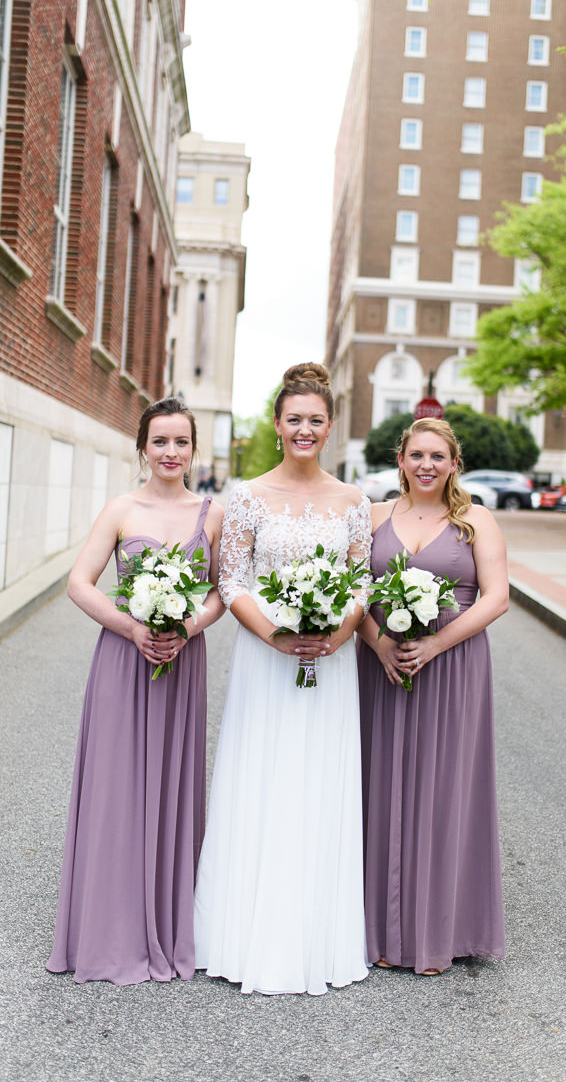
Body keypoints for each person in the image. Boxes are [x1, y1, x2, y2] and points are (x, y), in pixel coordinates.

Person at [193, 363, 371, 995]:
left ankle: (317, 936)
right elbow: (232, 580)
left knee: (320, 781)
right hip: (267, 661)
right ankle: (245, 933)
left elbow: (362, 581)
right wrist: (278, 635)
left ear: (329, 427)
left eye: (315, 421)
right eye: (293, 419)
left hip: (331, 660)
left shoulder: (354, 501)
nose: (304, 429)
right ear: (276, 424)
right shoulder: (246, 497)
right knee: (262, 776)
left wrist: (337, 633)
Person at [46, 397, 224, 984]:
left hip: (181, 663)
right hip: (124, 661)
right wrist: (133, 627)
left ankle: (166, 921)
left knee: (171, 786)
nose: (171, 453)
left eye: (181, 442)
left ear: (193, 449)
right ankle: (109, 926)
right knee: (116, 787)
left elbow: (223, 592)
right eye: (160, 442)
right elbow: (79, 583)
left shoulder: (213, 514)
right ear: (142, 448)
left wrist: (188, 626)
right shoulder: (121, 508)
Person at [356, 418, 508, 975]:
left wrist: (436, 644)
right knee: (381, 782)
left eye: (437, 456)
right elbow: (353, 596)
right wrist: (377, 646)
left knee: (444, 787)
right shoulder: (373, 517)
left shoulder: (475, 521)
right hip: (384, 666)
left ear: (454, 464)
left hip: (453, 668)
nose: (426, 465)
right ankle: (378, 928)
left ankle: (438, 929)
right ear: (400, 460)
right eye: (416, 454)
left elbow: (496, 598)